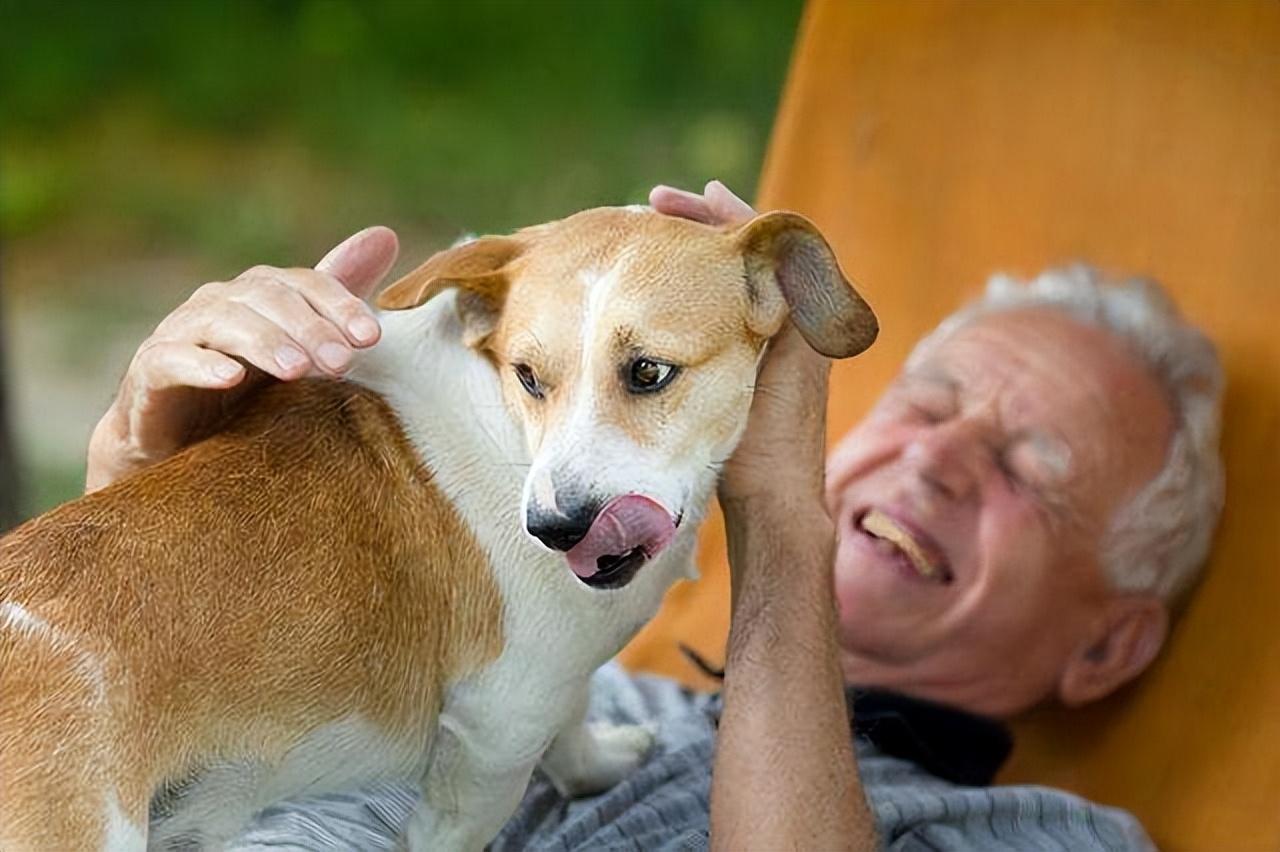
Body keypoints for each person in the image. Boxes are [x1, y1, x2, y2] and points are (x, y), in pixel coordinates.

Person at [85, 182, 1223, 850]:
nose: (932, 458)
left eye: (1028, 469)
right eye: (926, 404)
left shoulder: (1049, 834)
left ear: (1108, 645)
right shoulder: (578, 675)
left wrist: (780, 518)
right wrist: (142, 483)